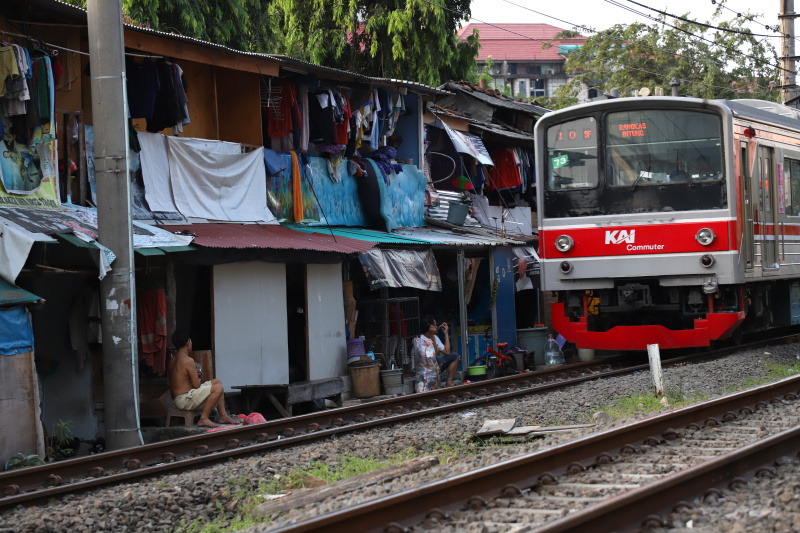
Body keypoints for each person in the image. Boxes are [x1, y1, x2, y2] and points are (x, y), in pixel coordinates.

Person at [167, 331, 240, 427]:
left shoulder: (172, 360)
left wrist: (188, 377)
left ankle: (223, 415)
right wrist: (195, 377)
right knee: (218, 388)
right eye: (191, 341)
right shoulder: (188, 360)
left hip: (177, 399)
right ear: (188, 343)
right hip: (184, 399)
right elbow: (196, 385)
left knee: (217, 381)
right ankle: (204, 418)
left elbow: (169, 383)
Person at [412, 315, 460, 389]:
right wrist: (432, 335)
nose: (436, 327)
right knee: (438, 358)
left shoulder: (435, 337)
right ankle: (435, 383)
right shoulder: (421, 340)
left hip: (434, 366)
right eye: (435, 325)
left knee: (455, 356)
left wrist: (446, 333)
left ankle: (448, 383)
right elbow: (432, 354)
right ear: (430, 327)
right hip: (425, 370)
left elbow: (447, 352)